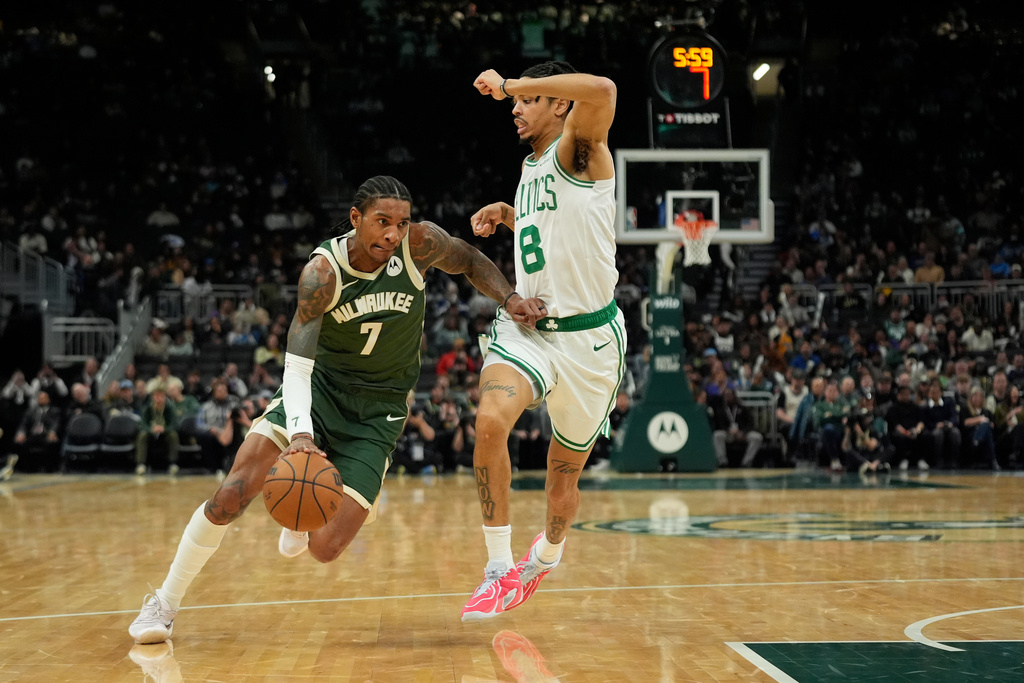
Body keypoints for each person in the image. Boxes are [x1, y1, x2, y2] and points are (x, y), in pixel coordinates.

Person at [129, 176, 542, 644]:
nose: (393, 234)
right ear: (355, 218)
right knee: (232, 494)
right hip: (318, 391)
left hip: (379, 411)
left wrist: (509, 299)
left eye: (401, 223)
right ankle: (163, 602)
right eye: (382, 222)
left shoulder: (419, 244)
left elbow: (468, 259)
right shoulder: (322, 274)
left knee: (325, 548)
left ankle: (298, 520)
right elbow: (297, 367)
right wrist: (302, 435)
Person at [462, 62, 625, 621]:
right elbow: (554, 227)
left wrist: (512, 82)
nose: (516, 107)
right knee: (489, 422)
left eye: (530, 99)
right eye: (516, 100)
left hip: (590, 344)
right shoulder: (530, 167)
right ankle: (496, 570)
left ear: (559, 103)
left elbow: (603, 90)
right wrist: (510, 215)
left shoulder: (582, 148)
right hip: (530, 332)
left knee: (563, 480)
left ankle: (547, 555)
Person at [135, 387, 181, 476]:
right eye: (156, 396)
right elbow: (142, 424)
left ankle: (173, 464)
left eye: (161, 396)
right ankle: (141, 464)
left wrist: (164, 429)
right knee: (142, 435)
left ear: (165, 398)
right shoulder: (147, 408)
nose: (159, 399)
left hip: (165, 434)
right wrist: (151, 429)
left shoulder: (170, 408)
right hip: (151, 434)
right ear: (153, 397)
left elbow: (175, 424)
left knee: (173, 435)